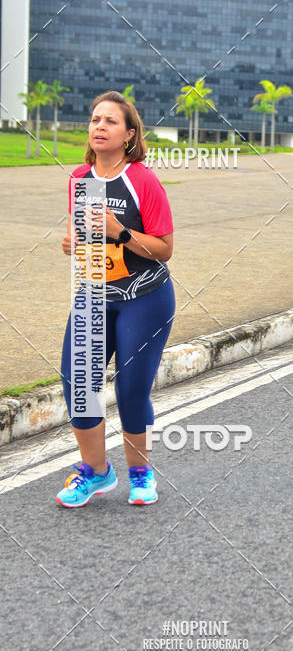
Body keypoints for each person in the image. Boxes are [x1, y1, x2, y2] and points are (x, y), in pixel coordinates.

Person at [56, 90, 175, 507]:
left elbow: (164, 249)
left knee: (130, 390)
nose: (99, 126)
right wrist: (73, 243)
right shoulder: (77, 178)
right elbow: (87, 239)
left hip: (145, 298)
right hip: (93, 293)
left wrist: (118, 230)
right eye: (94, 119)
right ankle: (96, 471)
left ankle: (141, 473)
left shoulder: (142, 179)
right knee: (79, 383)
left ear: (129, 134)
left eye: (110, 121)